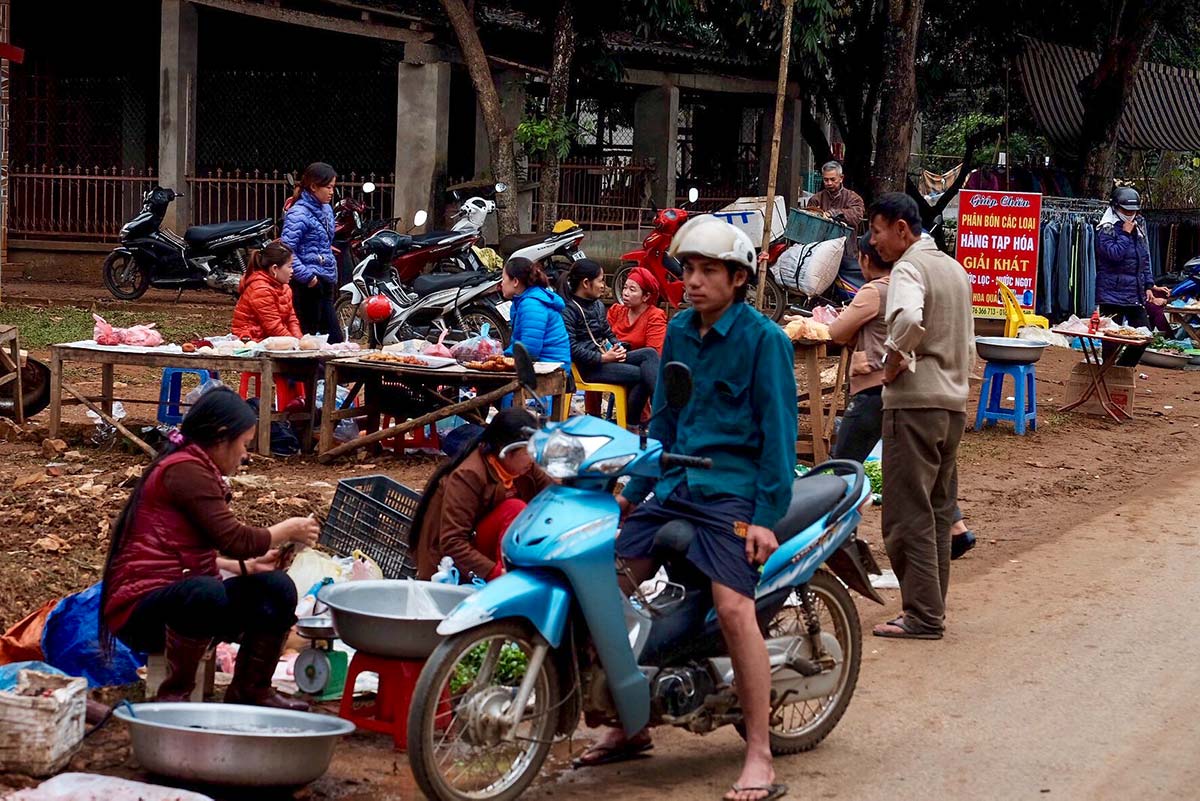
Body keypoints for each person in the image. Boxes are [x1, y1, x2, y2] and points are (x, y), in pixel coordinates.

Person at [581, 216, 797, 801]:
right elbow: (664, 421)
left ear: (738, 278)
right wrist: (632, 489)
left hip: (733, 492)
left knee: (733, 609)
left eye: (707, 271)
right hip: (675, 485)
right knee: (603, 581)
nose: (694, 281)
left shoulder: (766, 342)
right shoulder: (678, 330)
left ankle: (759, 753)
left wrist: (765, 519)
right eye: (690, 270)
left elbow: (780, 439)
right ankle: (631, 721)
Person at [100, 387, 320, 707]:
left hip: (181, 599)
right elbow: (235, 540)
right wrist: (288, 530)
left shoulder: (195, 467)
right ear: (220, 437)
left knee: (277, 587)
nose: (246, 455)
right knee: (204, 592)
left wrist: (244, 567)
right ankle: (175, 695)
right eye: (244, 444)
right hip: (139, 611)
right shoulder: (185, 470)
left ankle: (251, 691)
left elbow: (184, 551)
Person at [828, 233, 975, 559]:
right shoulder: (914, 284)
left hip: (874, 389)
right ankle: (957, 528)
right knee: (930, 466)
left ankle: (843, 536)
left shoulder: (874, 290)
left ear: (866, 259)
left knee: (845, 462)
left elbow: (836, 332)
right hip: (916, 390)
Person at [867, 193, 973, 641]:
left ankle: (923, 616)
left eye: (877, 231)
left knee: (907, 514)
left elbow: (908, 319)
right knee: (939, 510)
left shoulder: (909, 268)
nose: (874, 242)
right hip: (952, 405)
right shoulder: (954, 269)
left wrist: (893, 361)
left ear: (901, 229)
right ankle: (931, 608)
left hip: (914, 405)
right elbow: (967, 341)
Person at [412, 409, 552, 583]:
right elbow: (452, 541)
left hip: (483, 547)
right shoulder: (468, 475)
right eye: (528, 452)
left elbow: (554, 496)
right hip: (453, 564)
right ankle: (511, 579)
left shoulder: (524, 465)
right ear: (505, 451)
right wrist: (496, 573)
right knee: (514, 509)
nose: (533, 457)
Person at [561, 259, 660, 422]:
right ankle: (635, 423)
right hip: (587, 367)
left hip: (605, 357)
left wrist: (618, 346)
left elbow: (607, 333)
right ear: (586, 283)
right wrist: (602, 358)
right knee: (643, 374)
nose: (603, 286)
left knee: (649, 354)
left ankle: (661, 410)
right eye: (600, 281)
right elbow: (571, 348)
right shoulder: (568, 310)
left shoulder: (598, 305)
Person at [1096, 186, 1167, 364]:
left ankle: (1123, 369)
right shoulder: (1106, 228)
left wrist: (1149, 285)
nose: (1129, 214)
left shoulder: (1139, 226)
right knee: (1111, 342)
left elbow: (1144, 257)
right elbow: (1113, 255)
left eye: (1133, 211)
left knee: (1145, 335)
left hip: (1134, 294)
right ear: (1115, 208)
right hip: (1111, 294)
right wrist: (1125, 234)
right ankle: (1108, 373)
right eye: (1126, 211)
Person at [281, 162, 344, 344]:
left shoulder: (326, 209)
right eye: (328, 187)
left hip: (326, 279)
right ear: (314, 186)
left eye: (333, 187)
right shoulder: (298, 213)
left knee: (330, 339)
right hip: (307, 283)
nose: (331, 192)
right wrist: (308, 277)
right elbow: (286, 250)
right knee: (311, 336)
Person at [501, 257, 572, 367]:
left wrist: (504, 357)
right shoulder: (523, 301)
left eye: (503, 279)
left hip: (551, 367)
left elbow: (530, 351)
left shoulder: (531, 304)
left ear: (515, 282)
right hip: (542, 363)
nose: (501, 284)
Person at [231, 240, 302, 341]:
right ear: (274, 269)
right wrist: (294, 343)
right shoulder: (260, 289)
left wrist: (299, 339)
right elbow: (273, 327)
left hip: (272, 339)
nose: (292, 271)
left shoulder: (285, 287)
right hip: (251, 339)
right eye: (289, 266)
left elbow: (291, 319)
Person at [607, 267, 668, 354]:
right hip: (611, 357)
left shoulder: (655, 316)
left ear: (646, 296)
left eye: (632, 290)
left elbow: (654, 353)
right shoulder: (615, 310)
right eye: (625, 287)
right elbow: (603, 339)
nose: (625, 293)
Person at [805, 161, 866, 231]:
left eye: (833, 179)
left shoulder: (853, 198)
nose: (829, 183)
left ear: (841, 178)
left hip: (845, 237)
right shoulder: (816, 199)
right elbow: (808, 223)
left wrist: (833, 213)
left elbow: (857, 215)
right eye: (826, 180)